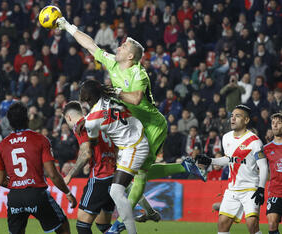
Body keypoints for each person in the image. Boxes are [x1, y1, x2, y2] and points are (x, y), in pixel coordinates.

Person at [57, 16, 205, 227]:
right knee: (133, 171)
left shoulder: (139, 73)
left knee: (140, 173)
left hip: (152, 125)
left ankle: (119, 227)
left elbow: (136, 98)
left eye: (124, 45)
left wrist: (115, 91)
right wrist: (68, 27)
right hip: (133, 125)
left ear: (131, 56)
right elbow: (90, 44)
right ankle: (184, 168)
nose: (119, 46)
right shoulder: (113, 64)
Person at [79, 80, 149, 234]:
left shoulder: (91, 120)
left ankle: (128, 229)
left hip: (133, 147)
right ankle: (144, 214)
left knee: (116, 192)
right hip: (139, 138)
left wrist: (85, 124)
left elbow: (94, 141)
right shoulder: (113, 97)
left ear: (86, 97)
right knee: (133, 183)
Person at [0, 102, 77, 234]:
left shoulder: (3, 144)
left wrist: (17, 184)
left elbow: (0, 180)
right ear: (27, 120)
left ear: (10, 123)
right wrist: (67, 193)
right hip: (36, 194)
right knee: (62, 227)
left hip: (15, 197)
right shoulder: (40, 139)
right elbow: (52, 173)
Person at [197, 105, 268, 234]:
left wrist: (261, 188)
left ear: (246, 120)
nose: (233, 119)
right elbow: (229, 159)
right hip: (233, 189)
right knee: (222, 224)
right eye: (232, 116)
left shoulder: (254, 141)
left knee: (252, 224)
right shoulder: (226, 137)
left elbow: (263, 166)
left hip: (250, 188)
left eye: (238, 116)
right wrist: (211, 161)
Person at [63, 101, 116, 234]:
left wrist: (69, 175)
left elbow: (86, 153)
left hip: (100, 176)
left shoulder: (79, 125)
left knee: (82, 225)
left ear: (68, 117)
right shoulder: (96, 121)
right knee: (103, 225)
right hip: (115, 175)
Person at [264, 112, 282, 234]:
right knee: (272, 224)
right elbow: (261, 170)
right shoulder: (266, 149)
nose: (275, 125)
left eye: (279, 123)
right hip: (275, 191)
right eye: (273, 123)